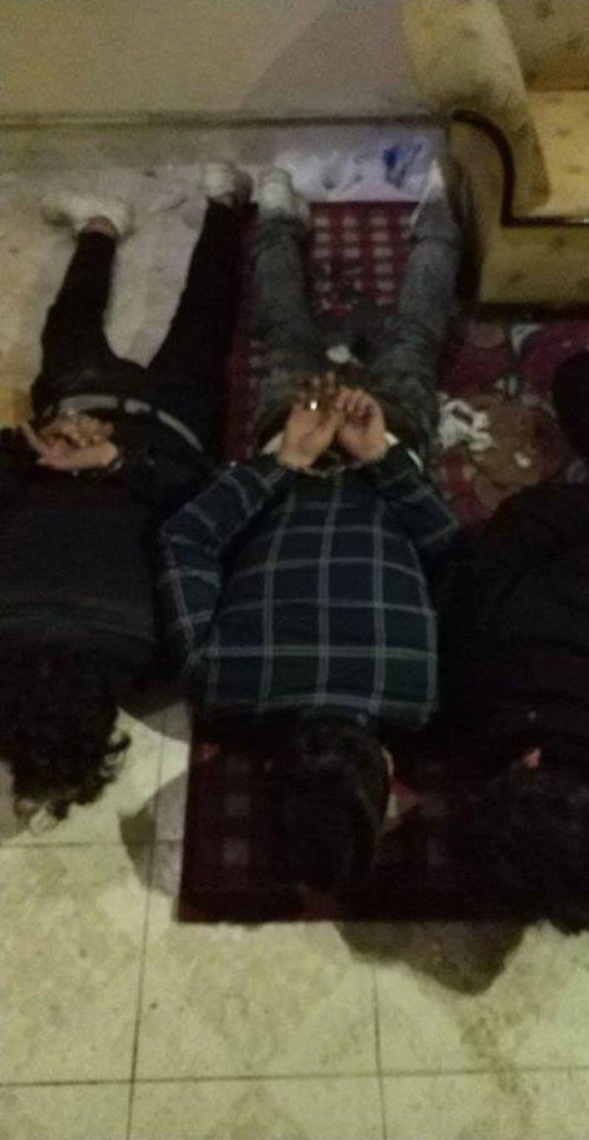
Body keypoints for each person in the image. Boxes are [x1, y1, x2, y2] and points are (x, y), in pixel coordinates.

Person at [159, 162, 463, 890]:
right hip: (304, 451)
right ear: (274, 773)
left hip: (371, 451)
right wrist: (291, 459)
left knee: (414, 337)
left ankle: (438, 209)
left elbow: (453, 553)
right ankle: (275, 210)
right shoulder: (217, 686)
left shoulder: (427, 695)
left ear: (386, 771)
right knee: (287, 336)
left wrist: (379, 459)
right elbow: (187, 539)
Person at [0, 163, 251, 822]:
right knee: (75, 326)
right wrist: (55, 451)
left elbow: (203, 512)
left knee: (201, 323)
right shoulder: (153, 657)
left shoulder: (157, 663)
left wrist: (47, 446)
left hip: (156, 429)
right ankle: (101, 227)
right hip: (119, 421)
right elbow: (203, 519)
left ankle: (224, 206)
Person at [445, 335, 589, 933]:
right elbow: (521, 530)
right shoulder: (475, 692)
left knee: (585, 386)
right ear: (526, 763)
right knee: (584, 385)